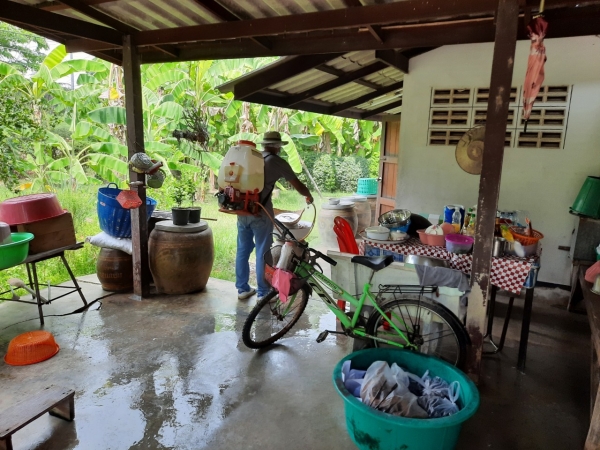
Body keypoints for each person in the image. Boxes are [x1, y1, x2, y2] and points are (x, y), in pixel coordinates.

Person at [236, 131, 314, 300]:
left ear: (264, 145)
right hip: (261, 212)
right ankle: (263, 292)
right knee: (263, 251)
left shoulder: (252, 158)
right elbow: (298, 185)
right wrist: (308, 195)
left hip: (242, 210)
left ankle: (242, 289)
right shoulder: (276, 161)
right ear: (277, 146)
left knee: (242, 249)